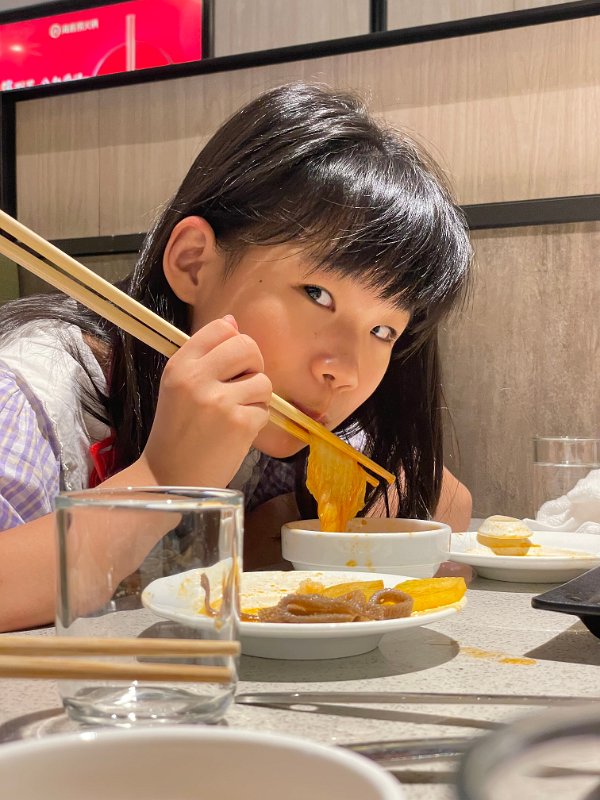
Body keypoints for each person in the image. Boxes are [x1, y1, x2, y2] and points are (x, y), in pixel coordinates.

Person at [0, 82, 472, 632]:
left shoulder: (283, 417)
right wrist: (163, 478)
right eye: (317, 295)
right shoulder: (31, 392)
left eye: (383, 330)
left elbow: (444, 500)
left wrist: (283, 523)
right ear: (194, 263)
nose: (344, 370)